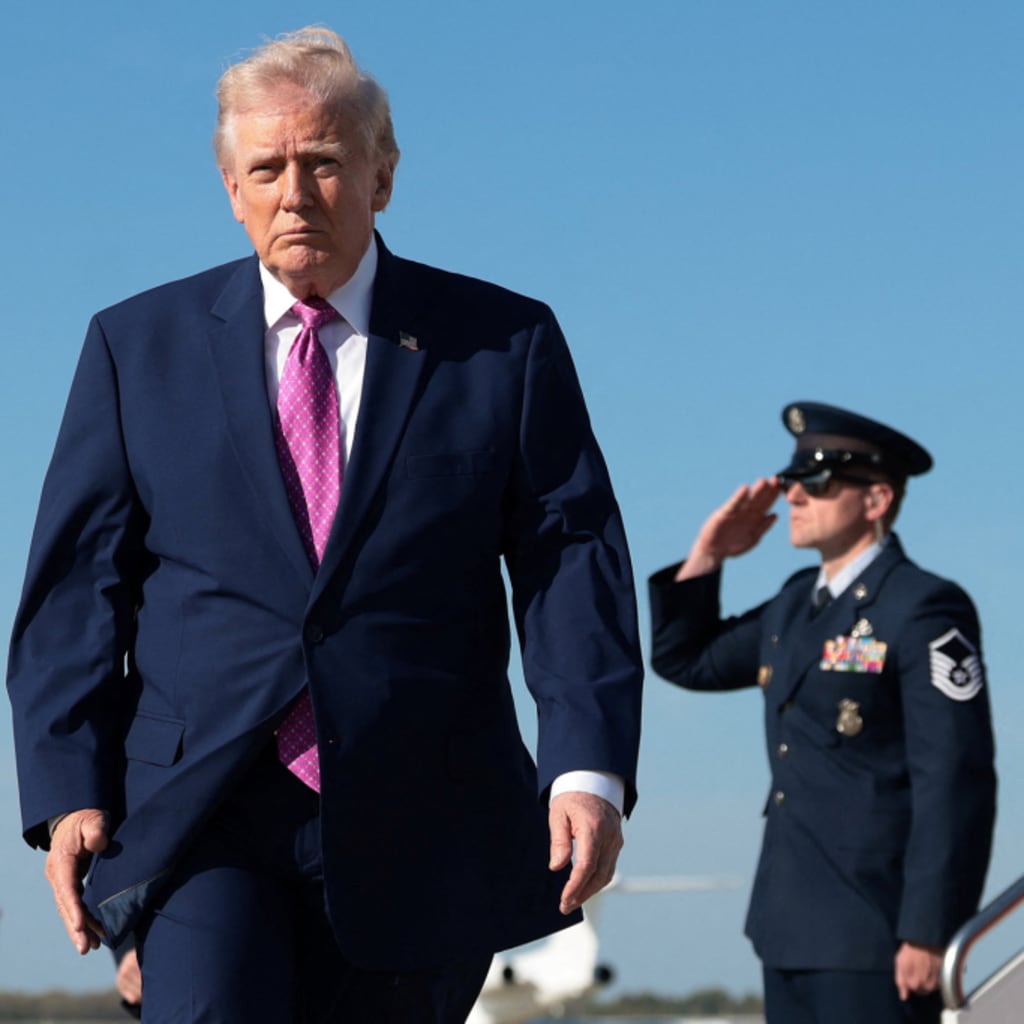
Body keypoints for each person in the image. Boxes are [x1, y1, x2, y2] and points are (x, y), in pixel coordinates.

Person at [6, 27, 643, 1023]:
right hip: (200, 806)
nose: (293, 192)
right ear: (230, 186)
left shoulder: (502, 344)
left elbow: (571, 560)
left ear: (381, 175)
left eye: (323, 163)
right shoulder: (136, 348)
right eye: (266, 168)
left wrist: (587, 763)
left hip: (423, 803)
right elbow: (76, 589)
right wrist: (63, 786)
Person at [648, 401, 995, 1024]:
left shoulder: (923, 607)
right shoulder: (792, 606)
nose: (795, 498)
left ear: (877, 499)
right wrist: (709, 554)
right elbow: (687, 662)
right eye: (791, 483)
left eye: (817, 482)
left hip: (876, 931)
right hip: (786, 924)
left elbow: (955, 776)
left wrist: (928, 928)